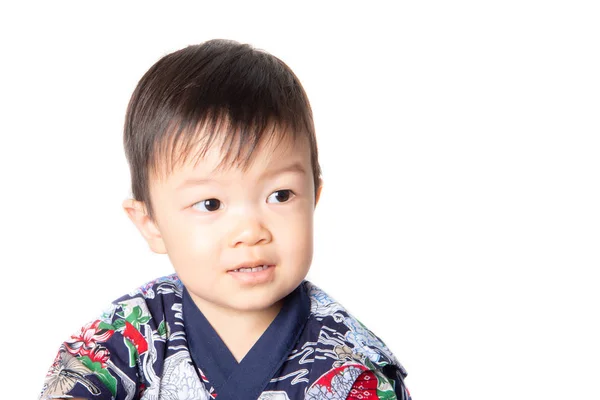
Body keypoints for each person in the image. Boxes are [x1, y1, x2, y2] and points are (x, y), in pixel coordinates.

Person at [39, 39, 411, 400]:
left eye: (280, 196)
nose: (250, 231)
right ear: (150, 223)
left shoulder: (353, 366)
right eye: (211, 204)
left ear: (314, 198)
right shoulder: (134, 328)